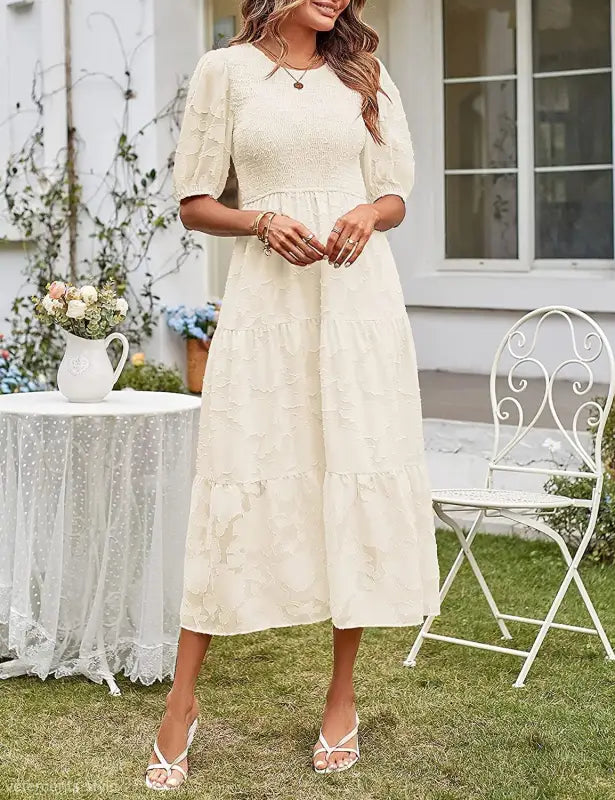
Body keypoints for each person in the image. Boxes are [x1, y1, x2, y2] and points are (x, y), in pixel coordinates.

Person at [145, 0, 440, 789]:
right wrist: (260, 221)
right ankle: (181, 700)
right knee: (236, 470)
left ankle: (341, 697)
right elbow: (194, 201)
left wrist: (366, 212)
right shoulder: (225, 72)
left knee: (352, 470)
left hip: (356, 300)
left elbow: (394, 192)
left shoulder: (363, 70)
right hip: (267, 304)